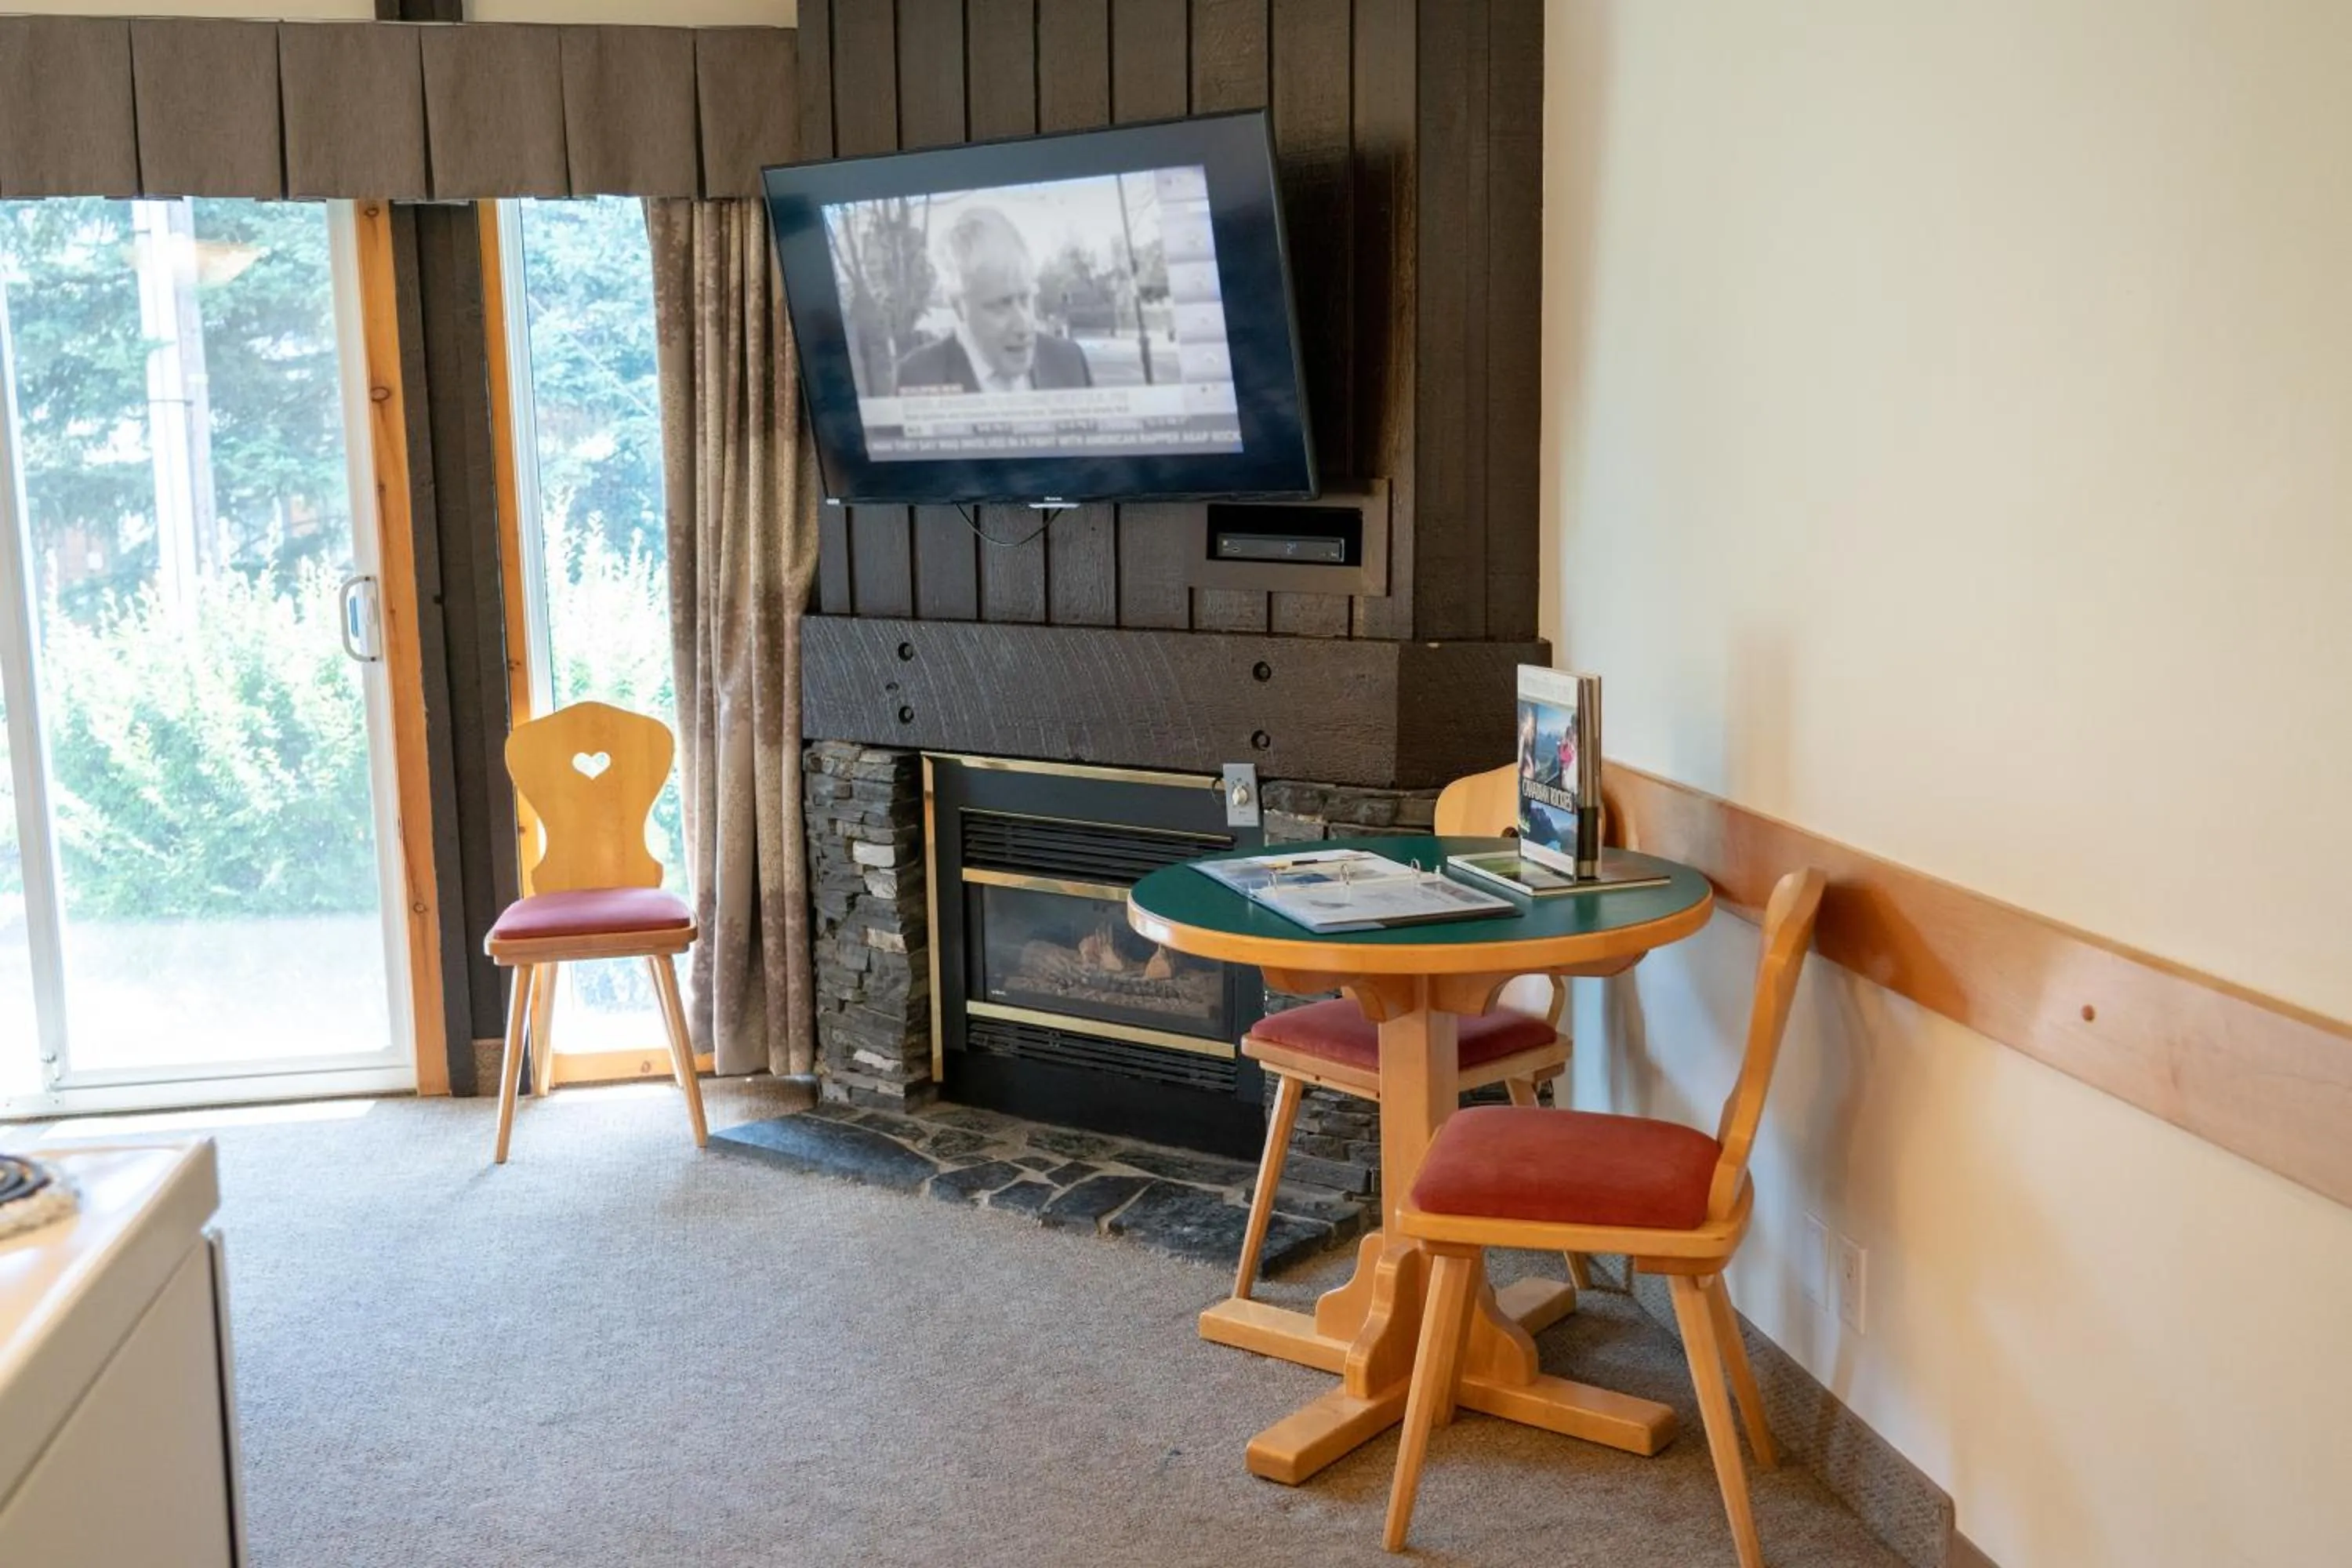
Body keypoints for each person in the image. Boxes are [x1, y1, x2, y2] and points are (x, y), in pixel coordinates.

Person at [893, 208, 1094, 394]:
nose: (1023, 326)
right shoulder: (918, 378)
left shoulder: (1070, 363)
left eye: (1025, 299)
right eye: (1001, 305)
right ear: (958, 307)